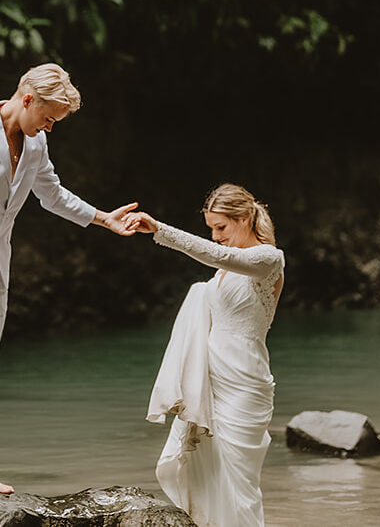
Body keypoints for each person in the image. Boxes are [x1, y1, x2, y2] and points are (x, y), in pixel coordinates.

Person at [0, 63, 137, 502]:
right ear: (27, 98)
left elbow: (51, 194)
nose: (51, 126)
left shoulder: (36, 143)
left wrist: (102, 219)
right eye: (49, 117)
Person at [127, 184, 284, 527]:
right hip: (210, 379)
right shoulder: (223, 271)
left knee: (241, 481)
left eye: (221, 227)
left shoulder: (268, 258)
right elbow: (220, 263)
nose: (215, 237)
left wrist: (160, 230)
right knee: (208, 473)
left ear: (244, 218)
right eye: (211, 228)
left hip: (245, 380)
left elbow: (221, 257)